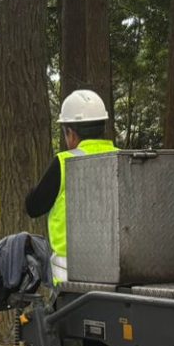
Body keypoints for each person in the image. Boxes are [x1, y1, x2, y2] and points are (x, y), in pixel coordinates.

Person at [24, 89, 117, 284]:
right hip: (117, 272)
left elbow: (33, 207)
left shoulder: (64, 162)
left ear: (70, 133)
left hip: (70, 277)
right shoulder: (122, 159)